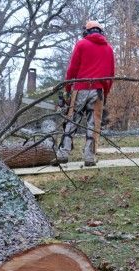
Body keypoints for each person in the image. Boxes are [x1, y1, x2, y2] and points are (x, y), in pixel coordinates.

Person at [56, 20, 115, 167]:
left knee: (72, 120)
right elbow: (110, 75)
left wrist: (68, 89)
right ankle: (89, 157)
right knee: (93, 124)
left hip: (81, 88)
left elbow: (72, 69)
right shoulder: (108, 48)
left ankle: (63, 153)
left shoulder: (81, 44)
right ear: (101, 32)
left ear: (87, 32)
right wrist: (105, 93)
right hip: (98, 91)